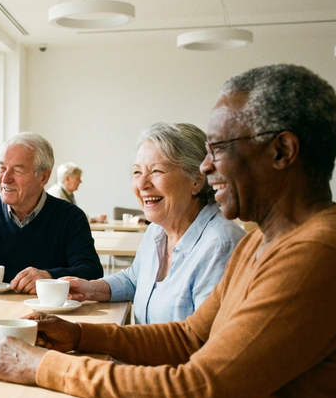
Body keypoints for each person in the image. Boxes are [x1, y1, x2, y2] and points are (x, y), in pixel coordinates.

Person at [0, 64, 336, 398]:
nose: (206, 166)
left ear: (282, 151)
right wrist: (79, 334)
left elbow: (197, 392)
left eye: (219, 149)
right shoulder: (262, 241)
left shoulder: (314, 254)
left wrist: (41, 364)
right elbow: (189, 335)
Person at [64, 123, 245, 324]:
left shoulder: (221, 246)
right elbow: (134, 279)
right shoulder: (156, 231)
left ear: (197, 181)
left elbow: (200, 337)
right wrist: (90, 288)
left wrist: (98, 336)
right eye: (137, 172)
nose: (142, 184)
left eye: (157, 171)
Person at [0, 133, 103, 293]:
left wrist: (49, 276)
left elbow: (92, 271)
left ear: (43, 177)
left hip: (45, 311)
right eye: (2, 168)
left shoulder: (70, 217)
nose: (5, 178)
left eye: (17, 170)